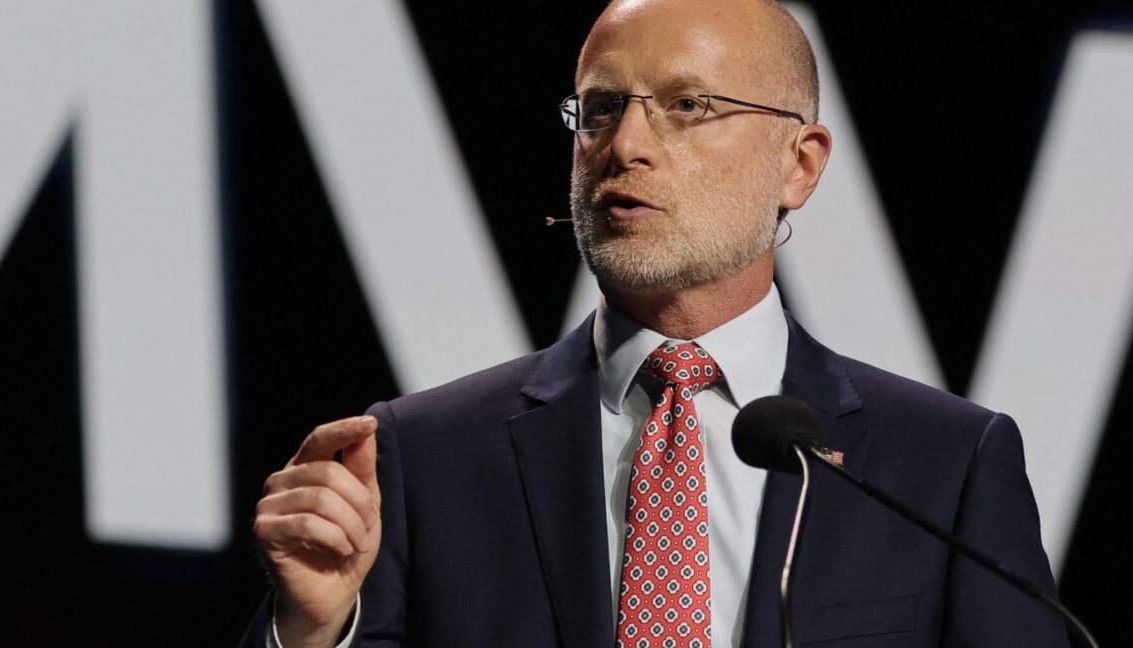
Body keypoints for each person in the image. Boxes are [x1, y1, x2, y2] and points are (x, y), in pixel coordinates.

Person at [241, 0, 1067, 646]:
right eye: (599, 110)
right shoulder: (422, 456)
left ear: (799, 164)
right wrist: (310, 633)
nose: (625, 143)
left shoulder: (945, 466)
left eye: (687, 104)